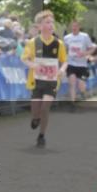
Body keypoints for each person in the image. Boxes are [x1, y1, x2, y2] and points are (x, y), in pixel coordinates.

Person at [21, 10, 67, 149]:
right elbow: (24, 59)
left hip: (51, 81)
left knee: (45, 108)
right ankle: (35, 118)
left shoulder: (59, 44)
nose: (51, 25)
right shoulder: (33, 43)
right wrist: (34, 65)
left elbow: (64, 61)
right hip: (36, 81)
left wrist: (62, 70)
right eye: (47, 22)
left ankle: (41, 136)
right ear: (40, 26)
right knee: (36, 111)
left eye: (52, 22)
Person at [62, 20, 95, 110]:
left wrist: (84, 53)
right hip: (71, 64)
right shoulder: (67, 38)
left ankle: (83, 92)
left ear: (79, 27)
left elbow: (92, 49)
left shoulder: (85, 36)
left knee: (81, 85)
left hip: (82, 65)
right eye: (73, 26)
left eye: (76, 26)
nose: (74, 28)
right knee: (72, 83)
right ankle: (72, 104)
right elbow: (64, 50)